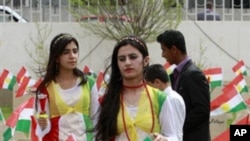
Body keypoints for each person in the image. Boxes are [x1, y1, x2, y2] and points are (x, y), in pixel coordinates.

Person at [94, 35, 183, 141]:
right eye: (122, 59)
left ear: (145, 61)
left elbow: (174, 136)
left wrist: (165, 139)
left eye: (133, 57)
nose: (127, 63)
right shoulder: (108, 100)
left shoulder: (160, 98)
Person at [35, 33, 99, 141]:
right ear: (56, 58)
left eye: (75, 51)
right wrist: (42, 123)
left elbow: (96, 118)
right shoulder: (46, 87)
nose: (72, 56)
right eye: (66, 52)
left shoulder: (89, 83)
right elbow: (43, 126)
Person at [156, 30, 210, 141]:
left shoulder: (193, 74)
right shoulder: (179, 74)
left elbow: (202, 109)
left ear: (174, 49)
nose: (163, 55)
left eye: (164, 50)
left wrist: (177, 124)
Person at [144, 64, 186, 141]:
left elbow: (174, 133)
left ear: (157, 82)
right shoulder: (171, 97)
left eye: (148, 85)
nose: (147, 90)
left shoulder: (171, 99)